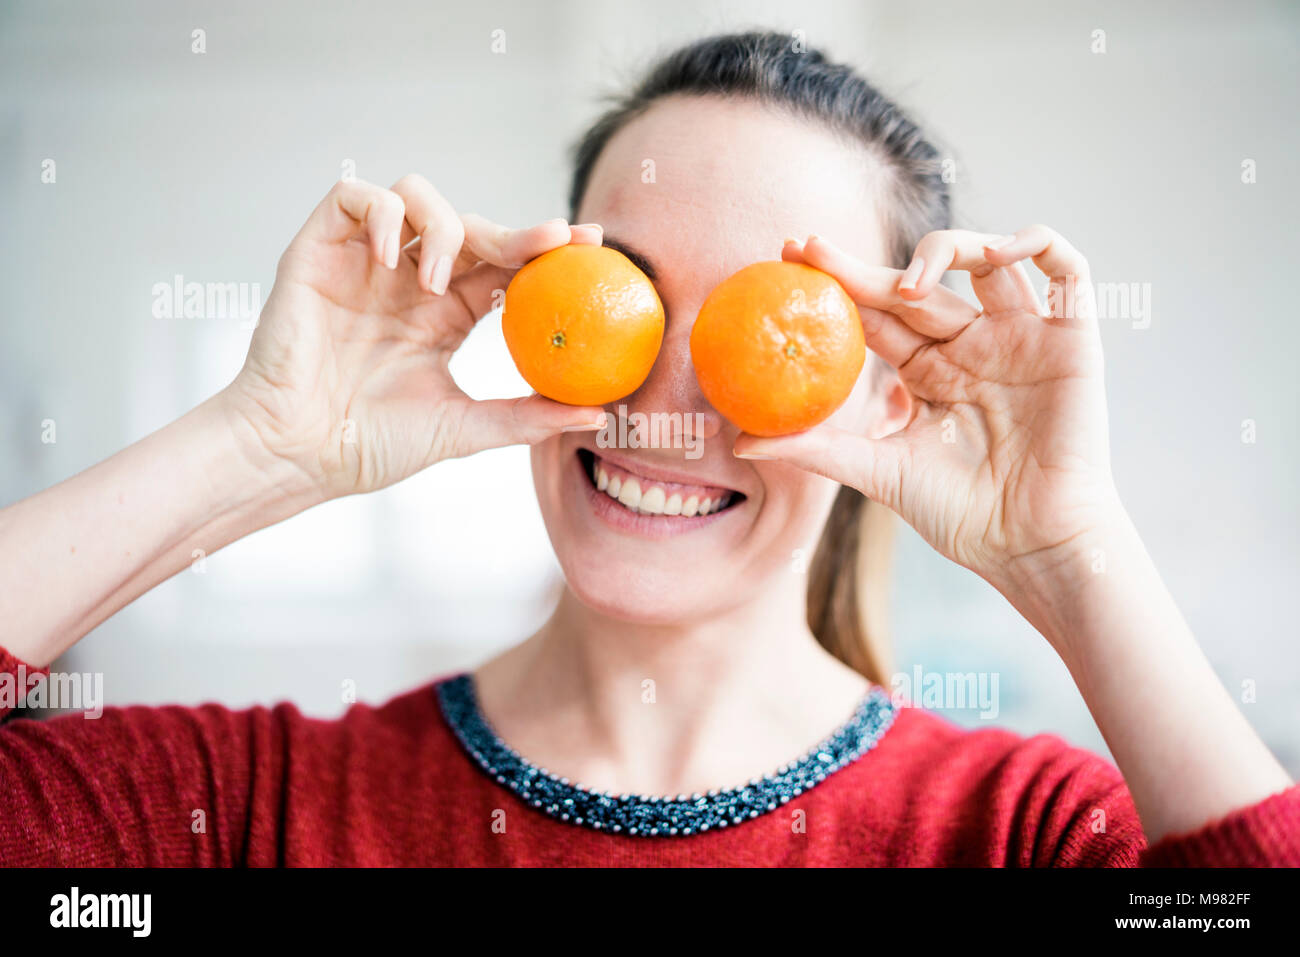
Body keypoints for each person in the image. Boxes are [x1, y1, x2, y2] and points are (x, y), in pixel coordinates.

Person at [1, 32, 1295, 866]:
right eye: (620, 291)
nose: (665, 399)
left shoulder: (1019, 833)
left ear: (892, 386)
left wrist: (1075, 553)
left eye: (763, 324)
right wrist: (260, 441)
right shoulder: (258, 811)